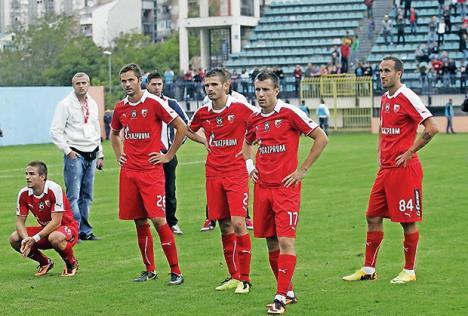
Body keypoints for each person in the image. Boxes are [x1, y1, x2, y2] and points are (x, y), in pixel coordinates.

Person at [343, 56, 439, 284]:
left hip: (404, 169)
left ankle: (409, 270)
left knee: (407, 220)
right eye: (380, 71)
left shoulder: (407, 96)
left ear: (399, 73)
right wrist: (380, 150)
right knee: (372, 216)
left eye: (387, 71)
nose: (382, 75)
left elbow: (432, 127)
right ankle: (369, 269)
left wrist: (409, 152)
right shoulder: (386, 98)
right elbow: (384, 128)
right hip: (386, 168)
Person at [243, 71, 327, 314]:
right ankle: (288, 290)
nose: (260, 94)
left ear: (276, 91)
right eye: (258, 89)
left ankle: (279, 298)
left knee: (285, 240)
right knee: (271, 242)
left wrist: (302, 170)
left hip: (286, 189)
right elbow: (246, 143)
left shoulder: (290, 113)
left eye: (266, 90)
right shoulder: (254, 119)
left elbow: (321, 138)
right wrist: (250, 167)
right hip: (262, 188)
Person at [110, 63, 186, 284]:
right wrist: (119, 155)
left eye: (131, 80)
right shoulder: (120, 107)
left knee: (159, 220)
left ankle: (176, 271)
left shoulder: (154, 103)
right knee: (139, 221)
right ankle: (150, 269)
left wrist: (168, 155)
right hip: (129, 172)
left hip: (151, 171)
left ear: (139, 80)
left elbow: (181, 127)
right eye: (123, 81)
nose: (127, 84)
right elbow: (115, 134)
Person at [187, 68, 257, 294]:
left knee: (238, 223)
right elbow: (188, 129)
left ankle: (245, 279)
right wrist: (203, 141)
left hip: (236, 172)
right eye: (207, 85)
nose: (209, 89)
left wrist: (249, 149)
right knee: (225, 225)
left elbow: (262, 120)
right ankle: (234, 275)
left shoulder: (241, 108)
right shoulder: (203, 112)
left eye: (214, 84)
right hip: (213, 173)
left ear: (226, 86)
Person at [50, 72, 103, 241]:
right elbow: (55, 130)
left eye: (84, 82)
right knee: (73, 195)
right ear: (73, 85)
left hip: (92, 152)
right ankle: (74, 231)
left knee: (87, 195)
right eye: (78, 83)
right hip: (75, 153)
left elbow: (95, 129)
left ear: (89, 84)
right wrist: (67, 151)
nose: (81, 86)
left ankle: (85, 231)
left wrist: (100, 153)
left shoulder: (93, 104)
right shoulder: (65, 104)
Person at [9, 161, 79, 277]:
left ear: (42, 177)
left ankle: (71, 263)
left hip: (67, 229)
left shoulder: (54, 189)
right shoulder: (23, 193)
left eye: (32, 174)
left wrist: (35, 238)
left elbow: (56, 222)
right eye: (26, 173)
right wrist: (27, 239)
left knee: (55, 237)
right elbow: (20, 222)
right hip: (46, 231)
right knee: (15, 238)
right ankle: (45, 262)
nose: (27, 177)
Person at [146, 71, 189, 235]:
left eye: (159, 84)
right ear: (147, 85)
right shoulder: (143, 103)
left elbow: (185, 125)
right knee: (149, 189)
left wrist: (174, 148)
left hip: (168, 153)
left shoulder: (171, 103)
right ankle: (151, 220)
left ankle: (171, 222)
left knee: (169, 188)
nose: (157, 88)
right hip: (149, 154)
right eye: (153, 84)